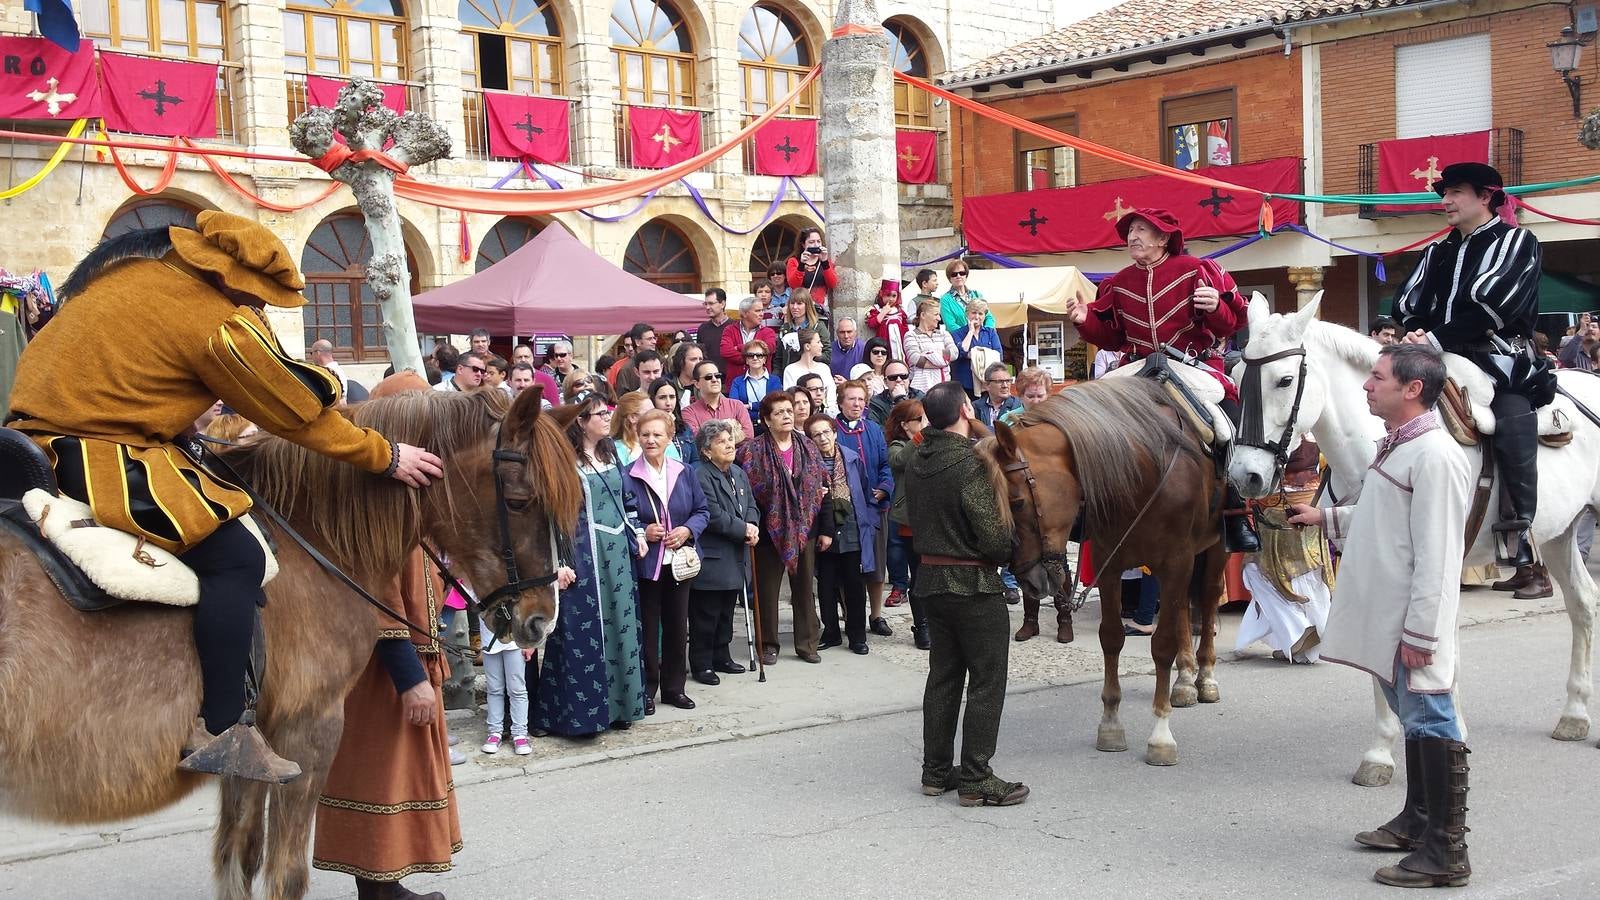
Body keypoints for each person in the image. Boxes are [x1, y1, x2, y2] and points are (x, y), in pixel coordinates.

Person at [5, 210, 442, 783]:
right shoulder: (212, 320)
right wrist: (385, 455)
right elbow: (297, 410)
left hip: (32, 440)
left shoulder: (126, 278)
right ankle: (223, 727)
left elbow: (130, 378)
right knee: (235, 556)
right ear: (229, 278)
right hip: (98, 454)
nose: (258, 309)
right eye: (256, 298)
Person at [1287, 344, 1473, 889]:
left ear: (1413, 389)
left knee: (1432, 719)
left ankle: (1446, 852)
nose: (1367, 385)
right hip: (1389, 617)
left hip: (1409, 624)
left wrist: (1422, 635)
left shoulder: (1435, 456)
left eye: (1378, 377)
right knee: (1415, 719)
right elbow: (1385, 515)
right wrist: (1326, 517)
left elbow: (1439, 557)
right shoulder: (1397, 448)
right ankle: (1417, 821)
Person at [311, 371, 461, 897]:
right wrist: (408, 678)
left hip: (415, 660)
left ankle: (386, 885)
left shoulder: (408, 490)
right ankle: (378, 890)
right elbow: (378, 596)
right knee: (380, 777)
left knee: (399, 778)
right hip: (381, 671)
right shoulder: (372, 496)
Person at [1065, 206, 1259, 554]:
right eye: (1129, 231)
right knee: (1090, 420)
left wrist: (1216, 306)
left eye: (1141, 229)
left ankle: (1235, 513)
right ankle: (1087, 507)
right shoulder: (1119, 281)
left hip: (1189, 364)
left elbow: (1230, 325)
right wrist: (1084, 321)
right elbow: (1110, 338)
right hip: (1137, 367)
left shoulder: (1197, 271)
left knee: (1229, 421)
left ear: (1163, 237)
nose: (1132, 237)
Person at [1395, 162, 1550, 597]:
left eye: (1455, 193)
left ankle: (1524, 543)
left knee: (1511, 419)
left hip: (1498, 359)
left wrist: (1436, 336)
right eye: (1443, 193)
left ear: (1485, 196)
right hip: (1435, 355)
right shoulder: (1437, 251)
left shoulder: (1517, 241)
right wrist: (1415, 330)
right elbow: (1408, 301)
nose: (1444, 201)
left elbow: (1493, 306)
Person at [907, 382, 1027, 807]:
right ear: (964, 408)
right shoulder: (969, 464)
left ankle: (935, 772)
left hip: (930, 582)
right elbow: (993, 538)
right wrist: (1011, 549)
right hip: (973, 585)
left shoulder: (918, 459)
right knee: (986, 681)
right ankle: (977, 777)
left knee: (943, 678)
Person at [535, 396, 648, 737]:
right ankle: (582, 717)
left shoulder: (611, 453)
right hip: (583, 552)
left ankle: (621, 707)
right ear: (581, 422)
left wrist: (638, 533)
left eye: (607, 412)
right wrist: (561, 562)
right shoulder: (566, 461)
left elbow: (628, 499)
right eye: (600, 413)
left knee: (620, 625)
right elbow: (554, 515)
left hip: (617, 554)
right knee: (582, 632)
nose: (606, 417)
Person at [625, 409, 709, 713]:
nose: (650, 440)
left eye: (657, 434)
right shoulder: (628, 474)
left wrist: (687, 530)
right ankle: (647, 689)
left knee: (677, 627)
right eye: (645, 434)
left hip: (681, 562)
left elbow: (702, 511)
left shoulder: (684, 471)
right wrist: (643, 531)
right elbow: (623, 517)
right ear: (637, 437)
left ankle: (675, 689)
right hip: (649, 564)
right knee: (648, 630)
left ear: (669, 437)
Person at [738, 391, 830, 665]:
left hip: (806, 531)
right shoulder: (751, 451)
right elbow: (748, 493)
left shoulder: (808, 447)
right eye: (779, 412)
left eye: (789, 411)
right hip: (768, 530)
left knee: (804, 588)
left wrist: (825, 528)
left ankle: (807, 643)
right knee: (766, 591)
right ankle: (768, 644)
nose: (787, 416)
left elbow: (822, 491)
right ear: (766, 419)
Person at [1237, 435, 1330, 664]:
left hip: (1281, 507)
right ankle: (1294, 644)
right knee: (1307, 573)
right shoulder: (1318, 430)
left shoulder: (1281, 428)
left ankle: (1297, 631)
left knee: (1257, 571)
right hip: (1313, 501)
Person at [689, 419, 758, 685]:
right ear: (706, 450)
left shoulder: (739, 473)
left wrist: (752, 525)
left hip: (736, 555)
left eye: (730, 439)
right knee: (706, 614)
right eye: (721, 441)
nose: (729, 444)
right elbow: (714, 515)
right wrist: (744, 529)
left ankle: (722, 655)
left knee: (727, 612)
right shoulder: (700, 474)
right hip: (713, 556)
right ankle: (702, 663)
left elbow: (751, 505)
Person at [807, 414, 881, 655]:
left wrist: (870, 522)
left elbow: (865, 491)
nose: (822, 438)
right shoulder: (809, 463)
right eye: (816, 435)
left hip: (852, 528)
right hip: (823, 531)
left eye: (826, 432)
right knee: (826, 586)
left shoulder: (851, 458)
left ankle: (857, 636)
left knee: (854, 586)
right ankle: (831, 633)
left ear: (835, 433)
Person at [835, 380, 894, 638]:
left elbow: (885, 464)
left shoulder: (873, 429)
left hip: (874, 506)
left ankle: (876, 614)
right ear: (840, 402)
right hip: (845, 510)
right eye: (851, 399)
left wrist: (883, 487)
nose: (857, 404)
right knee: (848, 565)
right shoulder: (833, 431)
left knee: (877, 564)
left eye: (861, 399)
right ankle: (850, 613)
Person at [884, 398, 929, 649]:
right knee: (919, 576)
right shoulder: (898, 445)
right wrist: (922, 437)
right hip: (910, 520)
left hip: (935, 518)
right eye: (920, 419)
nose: (925, 424)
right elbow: (899, 460)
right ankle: (921, 626)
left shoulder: (933, 441)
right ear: (905, 425)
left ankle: (938, 624)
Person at [479, 611, 536, 756]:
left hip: (516, 641)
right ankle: (494, 732)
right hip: (489, 641)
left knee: (517, 689)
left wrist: (530, 641)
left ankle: (520, 734)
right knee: (494, 689)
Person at [683, 359, 754, 444]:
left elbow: (749, 435)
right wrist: (732, 429)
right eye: (708, 377)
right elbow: (697, 440)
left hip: (737, 456)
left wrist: (710, 436)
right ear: (697, 384)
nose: (714, 380)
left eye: (717, 376)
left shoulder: (737, 405)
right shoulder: (688, 412)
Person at [786, 226, 837, 325]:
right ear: (803, 244)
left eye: (818, 241)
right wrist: (801, 265)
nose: (816, 245)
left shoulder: (825, 262)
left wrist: (825, 262)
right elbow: (794, 285)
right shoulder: (794, 261)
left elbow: (832, 284)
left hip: (819, 311)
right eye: (811, 242)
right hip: (801, 311)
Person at [952, 297, 1003, 396]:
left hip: (987, 384)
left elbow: (998, 355)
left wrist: (974, 354)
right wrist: (970, 331)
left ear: (984, 316)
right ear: (967, 314)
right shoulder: (957, 333)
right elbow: (960, 352)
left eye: (980, 313)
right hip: (964, 384)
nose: (977, 317)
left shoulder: (991, 333)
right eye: (973, 313)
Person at [905, 298, 957, 392]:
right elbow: (915, 359)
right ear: (923, 315)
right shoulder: (911, 335)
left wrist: (929, 354)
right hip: (920, 390)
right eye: (936, 314)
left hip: (944, 387)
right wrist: (943, 361)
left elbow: (955, 354)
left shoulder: (943, 334)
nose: (939, 318)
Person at [721, 295, 778, 380]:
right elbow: (725, 352)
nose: (762, 314)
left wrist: (739, 347)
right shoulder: (729, 330)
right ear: (744, 313)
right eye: (757, 311)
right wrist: (755, 357)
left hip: (762, 384)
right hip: (735, 384)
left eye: (762, 310)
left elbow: (768, 349)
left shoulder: (768, 332)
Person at [774, 292, 831, 375]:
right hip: (790, 375)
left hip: (811, 375)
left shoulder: (818, 327)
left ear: (807, 305)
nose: (795, 307)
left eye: (799, 303)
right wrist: (777, 380)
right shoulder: (785, 329)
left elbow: (827, 356)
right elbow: (779, 359)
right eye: (792, 303)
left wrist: (809, 354)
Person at [783, 327, 836, 413]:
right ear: (807, 346)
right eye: (818, 342)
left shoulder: (824, 368)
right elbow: (791, 396)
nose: (821, 345)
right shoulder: (791, 370)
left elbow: (831, 395)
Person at [646, 376, 698, 464]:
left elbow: (695, 460)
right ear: (652, 399)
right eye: (662, 397)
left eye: (672, 397)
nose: (668, 403)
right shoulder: (645, 430)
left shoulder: (685, 428)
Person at [727, 339, 778, 423]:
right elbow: (734, 406)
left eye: (759, 355)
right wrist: (760, 405)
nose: (755, 358)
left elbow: (774, 404)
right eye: (751, 355)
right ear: (746, 360)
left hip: (771, 425)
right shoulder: (737, 382)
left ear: (765, 359)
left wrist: (749, 406)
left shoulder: (775, 380)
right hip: (745, 425)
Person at [939, 260, 992, 333]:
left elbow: (989, 317)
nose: (958, 276)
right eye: (954, 274)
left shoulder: (977, 295)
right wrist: (970, 334)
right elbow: (950, 325)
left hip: (980, 338)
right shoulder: (945, 300)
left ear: (966, 276)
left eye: (962, 273)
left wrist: (986, 333)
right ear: (949, 279)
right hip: (959, 340)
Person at [867, 278, 911, 362]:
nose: (890, 299)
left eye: (894, 296)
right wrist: (883, 312)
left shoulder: (900, 311)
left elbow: (905, 328)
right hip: (884, 343)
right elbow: (871, 324)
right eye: (888, 295)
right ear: (881, 294)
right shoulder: (877, 310)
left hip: (900, 343)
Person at [869, 359, 923, 426]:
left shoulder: (921, 398)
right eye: (893, 377)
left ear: (909, 378)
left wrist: (901, 399)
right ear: (885, 382)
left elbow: (916, 426)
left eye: (903, 376)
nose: (899, 380)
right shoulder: (876, 403)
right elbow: (876, 430)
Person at [973, 362, 1022, 430]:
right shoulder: (975, 407)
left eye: (1008, 381)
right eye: (1000, 381)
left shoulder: (1019, 406)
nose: (1005, 386)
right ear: (987, 385)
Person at [697, 288, 732, 373]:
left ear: (722, 304)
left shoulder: (735, 327)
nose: (708, 307)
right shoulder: (702, 328)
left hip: (730, 379)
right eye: (706, 304)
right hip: (709, 378)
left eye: (711, 303)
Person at [610, 390, 648, 465]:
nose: (656, 415)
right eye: (650, 412)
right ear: (632, 417)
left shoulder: (662, 442)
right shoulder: (616, 450)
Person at [830, 316, 865, 383]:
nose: (846, 336)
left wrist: (847, 384)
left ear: (855, 332)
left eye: (849, 332)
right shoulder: (829, 350)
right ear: (837, 333)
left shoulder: (864, 349)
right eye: (842, 332)